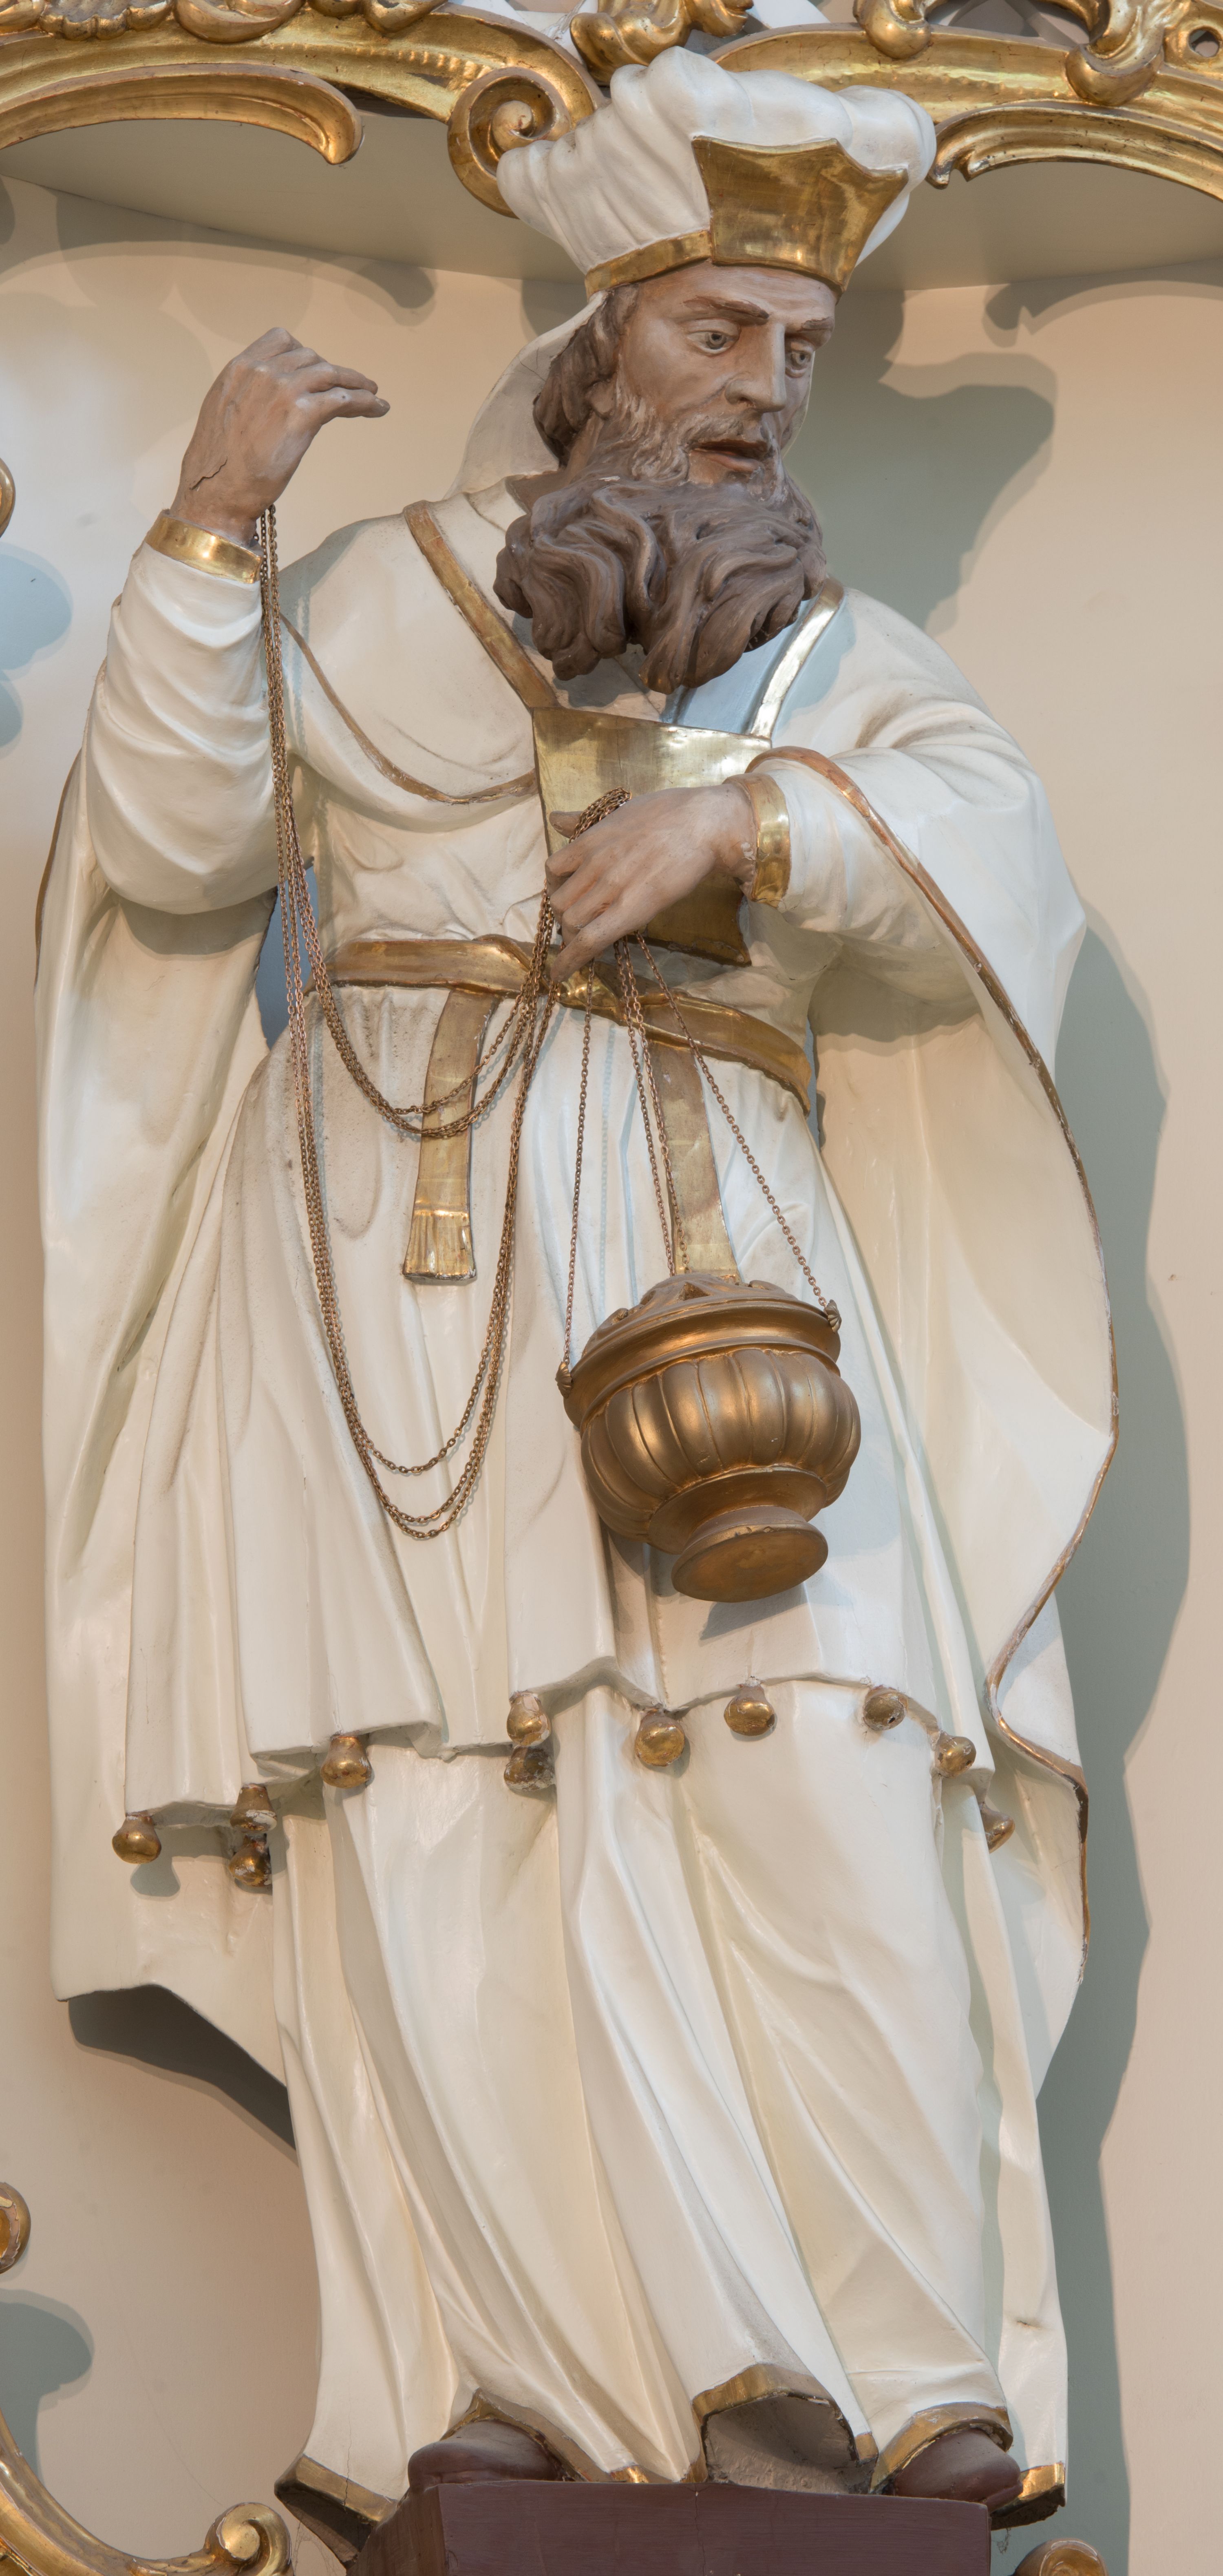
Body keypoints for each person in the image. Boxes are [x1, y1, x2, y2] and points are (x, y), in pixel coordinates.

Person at [37, 46, 1114, 2547]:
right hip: (384, 1252)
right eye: (719, 331)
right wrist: (204, 532)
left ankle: (903, 2374)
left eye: (801, 350)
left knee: (822, 1750)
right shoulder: (369, 590)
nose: (766, 388)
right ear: (595, 343)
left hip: (725, 1248)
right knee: (434, 1784)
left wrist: (753, 821)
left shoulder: (819, 653)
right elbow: (178, 852)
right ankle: (509, 2365)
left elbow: (993, 853)